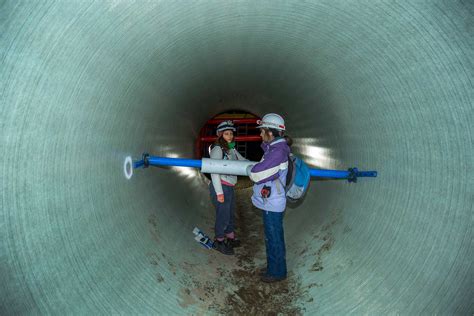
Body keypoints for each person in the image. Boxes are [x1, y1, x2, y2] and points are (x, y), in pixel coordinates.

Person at [248, 113, 292, 283]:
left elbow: (257, 174)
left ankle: (277, 272)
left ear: (270, 132)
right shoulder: (273, 149)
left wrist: (252, 169)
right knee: (272, 236)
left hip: (273, 202)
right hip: (271, 200)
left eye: (262, 131)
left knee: (273, 237)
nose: (260, 134)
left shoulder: (277, 152)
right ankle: (273, 267)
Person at [209, 120, 247, 255]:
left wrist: (257, 165)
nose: (230, 136)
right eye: (226, 134)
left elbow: (243, 161)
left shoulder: (231, 149)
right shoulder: (217, 149)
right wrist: (219, 192)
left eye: (231, 133)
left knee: (230, 214)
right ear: (220, 135)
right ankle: (219, 241)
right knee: (223, 216)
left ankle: (230, 238)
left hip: (229, 186)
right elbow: (214, 170)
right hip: (220, 187)